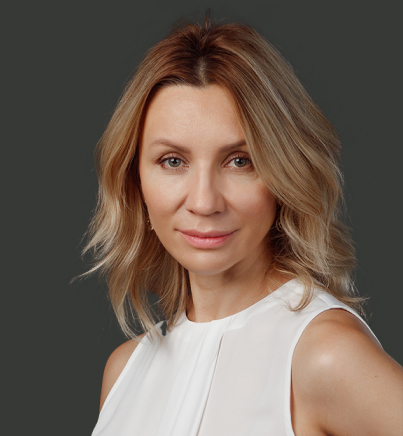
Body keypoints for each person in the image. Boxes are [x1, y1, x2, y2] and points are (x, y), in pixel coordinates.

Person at [85, 17, 403, 436]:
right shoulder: (125, 372)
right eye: (173, 161)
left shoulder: (324, 355)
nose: (204, 202)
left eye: (240, 161)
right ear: (135, 180)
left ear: (283, 172)